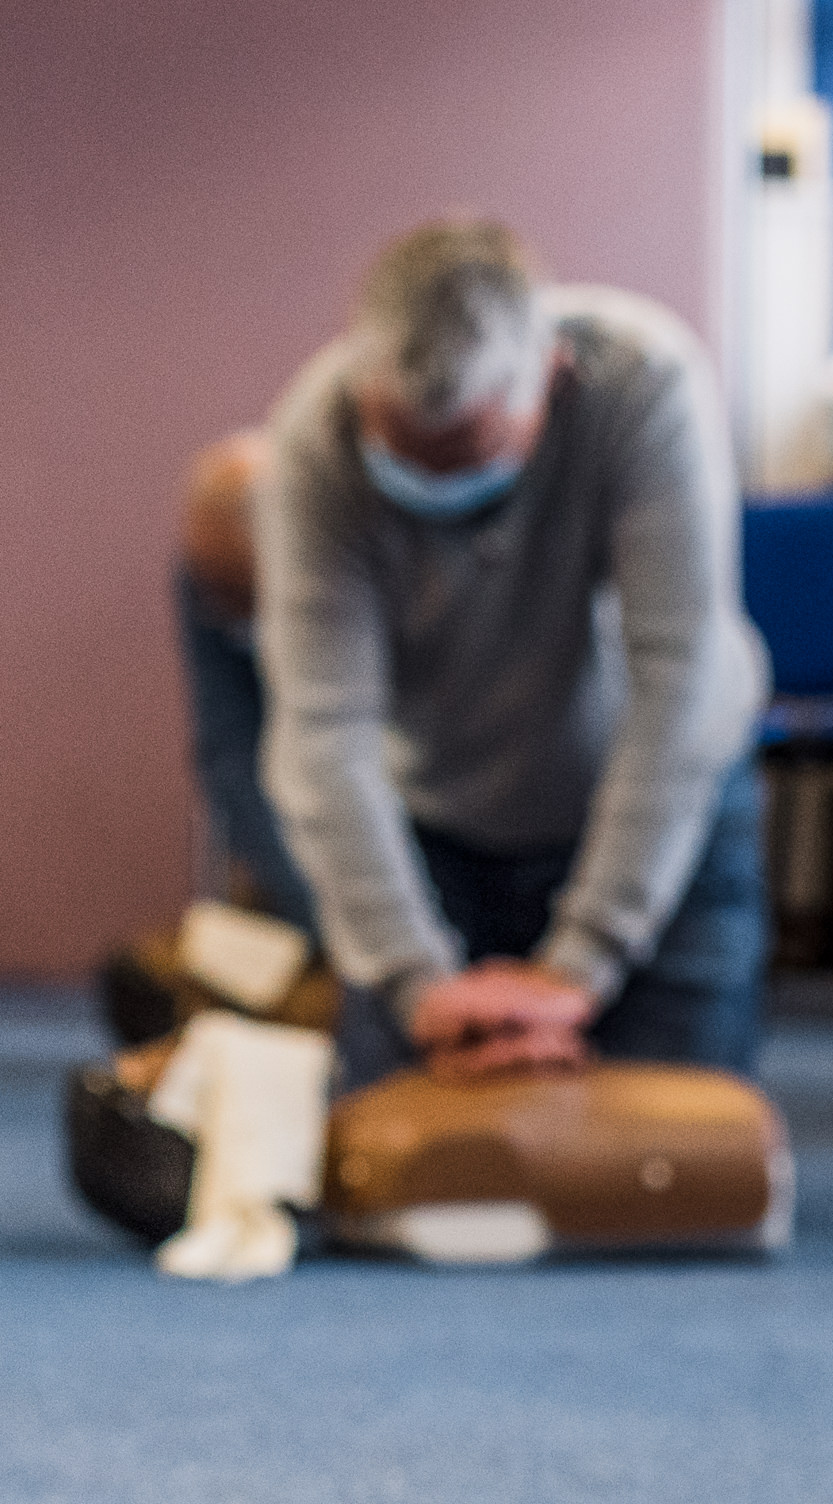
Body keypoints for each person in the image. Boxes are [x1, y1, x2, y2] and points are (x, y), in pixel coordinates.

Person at [257, 217, 768, 1092]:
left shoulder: (644, 383)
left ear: (553, 378)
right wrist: (416, 980)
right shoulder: (313, 436)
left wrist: (579, 965)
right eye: (404, 451)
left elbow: (679, 680)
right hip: (441, 831)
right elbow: (323, 732)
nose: (436, 490)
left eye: (470, 455)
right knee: (403, 1166)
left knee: (659, 1169)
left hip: (655, 814)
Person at [166, 428, 315, 936]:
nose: (242, 630)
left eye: (253, 607)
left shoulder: (342, 565)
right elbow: (229, 748)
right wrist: (309, 905)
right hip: (278, 788)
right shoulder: (204, 572)